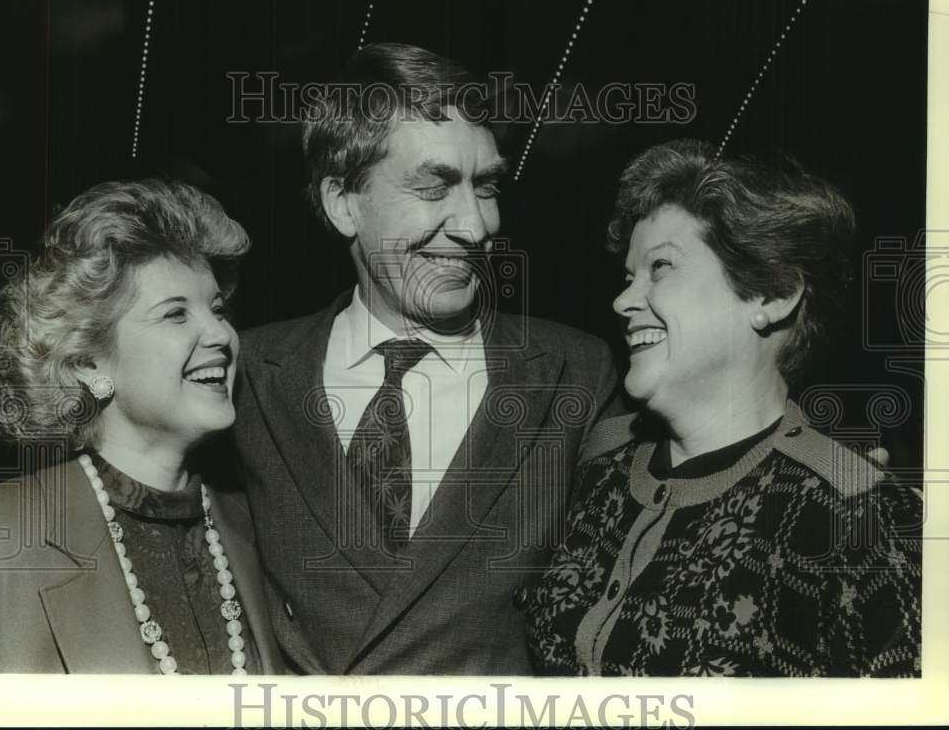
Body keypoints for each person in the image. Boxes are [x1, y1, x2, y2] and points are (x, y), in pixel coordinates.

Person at [234, 43, 620, 674]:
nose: (475, 226)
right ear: (343, 203)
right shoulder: (247, 373)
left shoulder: (575, 373)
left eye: (487, 188)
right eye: (433, 187)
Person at [525, 139, 922, 676]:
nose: (623, 301)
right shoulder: (599, 462)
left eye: (660, 267)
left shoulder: (863, 519)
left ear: (773, 294)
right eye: (628, 277)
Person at [0, 179, 283, 674]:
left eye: (218, 309)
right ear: (86, 363)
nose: (221, 334)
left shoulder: (259, 529)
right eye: (176, 314)